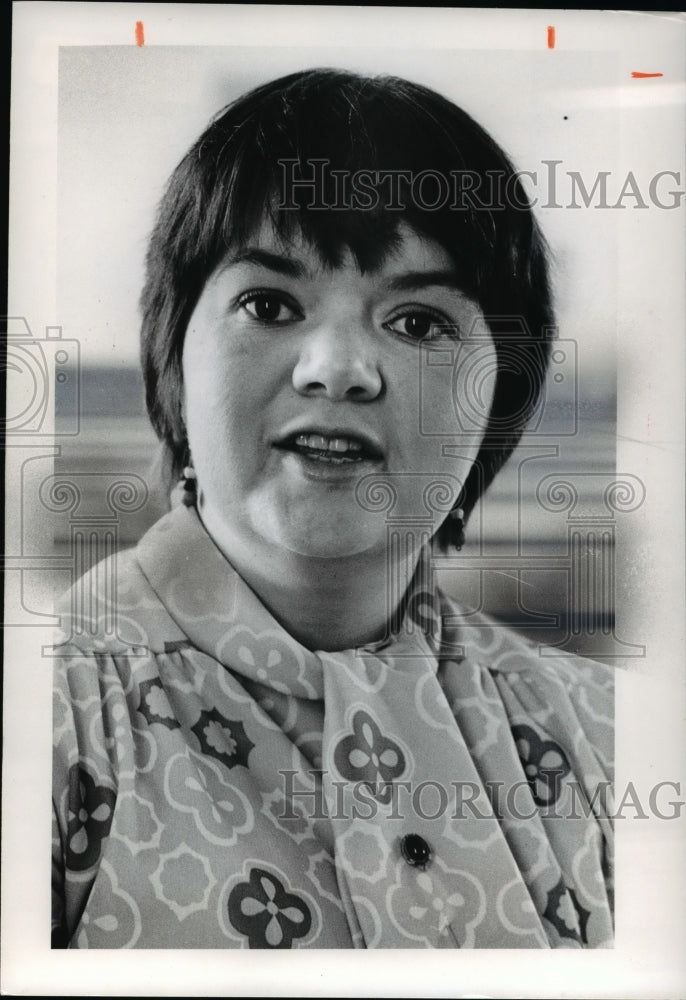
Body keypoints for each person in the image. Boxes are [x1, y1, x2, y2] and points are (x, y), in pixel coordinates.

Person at [51, 68, 613, 949]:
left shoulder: (609, 734)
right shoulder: (52, 715)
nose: (338, 367)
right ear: (172, 358)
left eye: (421, 322)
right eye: (270, 304)